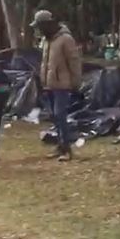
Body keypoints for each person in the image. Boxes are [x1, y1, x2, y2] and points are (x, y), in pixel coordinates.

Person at [33, 10, 82, 162]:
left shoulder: (65, 39)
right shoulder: (47, 40)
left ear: (48, 24)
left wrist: (75, 82)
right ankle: (60, 146)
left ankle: (67, 149)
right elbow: (45, 63)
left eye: (40, 26)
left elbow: (74, 62)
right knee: (55, 116)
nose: (38, 30)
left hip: (62, 84)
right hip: (49, 84)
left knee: (60, 115)